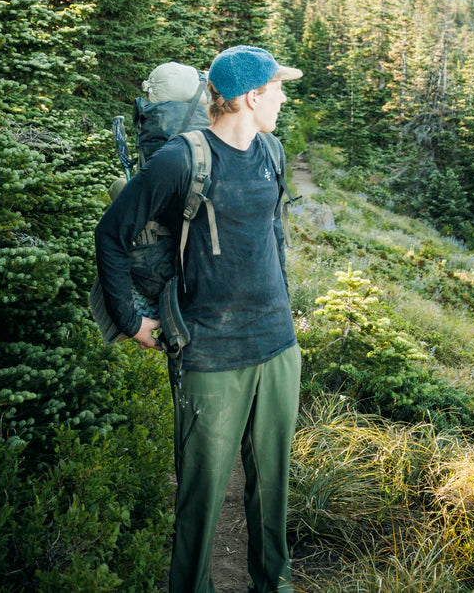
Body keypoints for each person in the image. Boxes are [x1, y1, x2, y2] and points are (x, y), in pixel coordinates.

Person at [94, 45, 303, 592]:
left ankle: (272, 582)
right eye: (277, 87)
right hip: (211, 353)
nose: (283, 96)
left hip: (278, 345)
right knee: (202, 493)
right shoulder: (182, 159)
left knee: (272, 486)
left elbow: (272, 238)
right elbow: (111, 235)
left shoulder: (273, 150)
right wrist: (130, 320)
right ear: (251, 97)